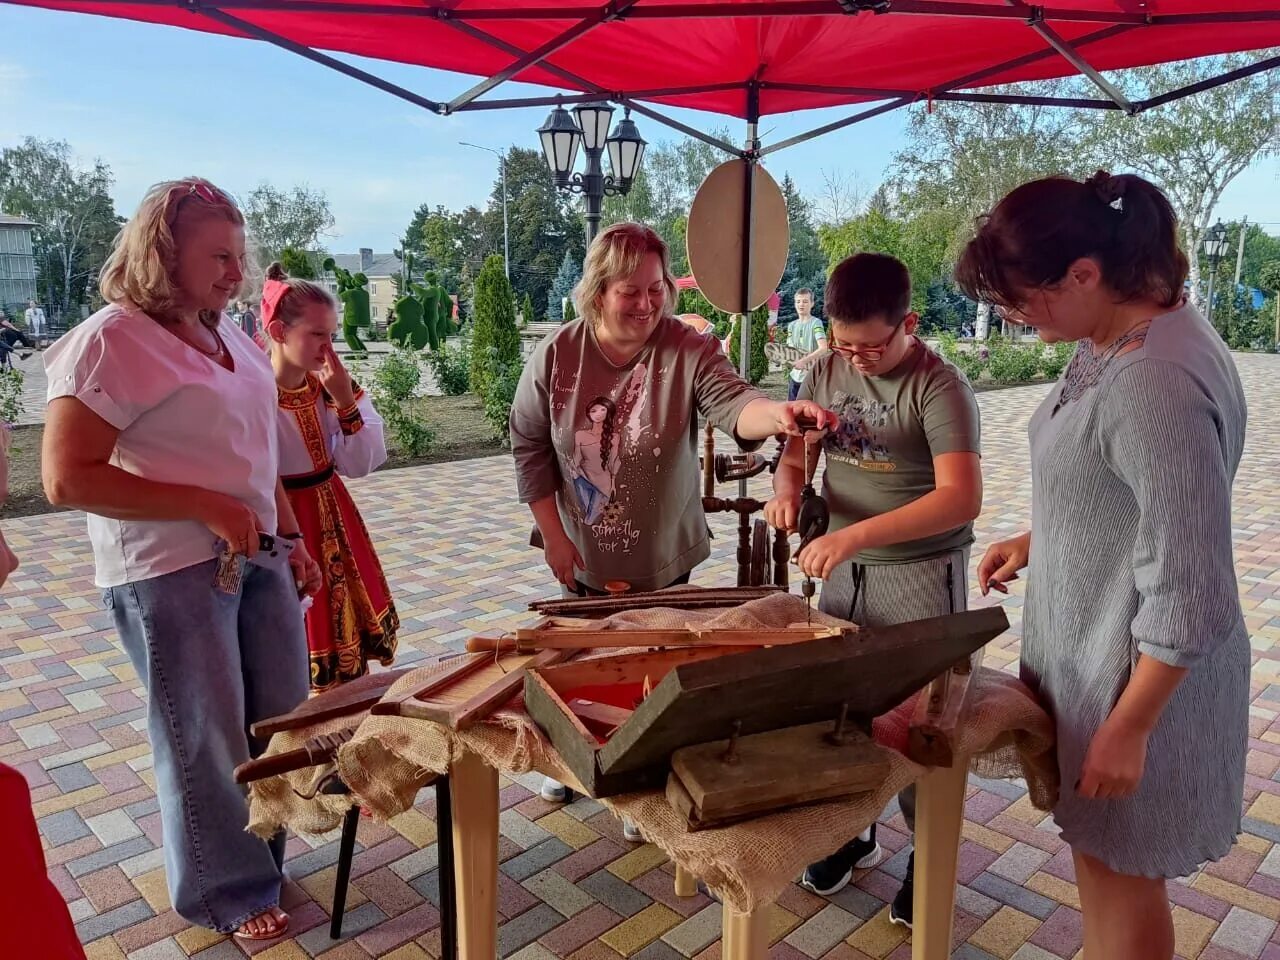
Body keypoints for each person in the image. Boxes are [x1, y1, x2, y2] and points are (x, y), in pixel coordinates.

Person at [957, 172, 1248, 960]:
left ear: (1085, 274)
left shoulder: (1152, 377)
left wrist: (1132, 723)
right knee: (1101, 863)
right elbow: (1128, 493)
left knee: (1122, 878)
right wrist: (1041, 536)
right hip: (1099, 658)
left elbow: (1191, 585)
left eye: (1026, 299)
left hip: (1132, 677)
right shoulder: (1122, 334)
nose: (1018, 317)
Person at [41, 176, 323, 942]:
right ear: (163, 253)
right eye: (219, 256)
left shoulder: (226, 331)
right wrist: (204, 505)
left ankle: (259, 860)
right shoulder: (113, 339)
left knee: (278, 720)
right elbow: (66, 476)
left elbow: (258, 452)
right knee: (205, 734)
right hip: (167, 569)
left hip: (256, 554)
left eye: (240, 255)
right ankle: (224, 890)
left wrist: (291, 539)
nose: (237, 272)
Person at [510, 221, 838, 822]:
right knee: (581, 665)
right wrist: (553, 534)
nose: (646, 303)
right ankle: (571, 763)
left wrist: (781, 414)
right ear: (598, 291)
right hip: (579, 550)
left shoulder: (686, 349)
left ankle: (639, 784)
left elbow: (736, 405)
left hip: (664, 554)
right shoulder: (558, 354)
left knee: (656, 671)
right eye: (629, 291)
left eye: (656, 288)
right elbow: (529, 441)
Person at [765, 253, 982, 925]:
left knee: (921, 729)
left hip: (919, 575)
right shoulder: (823, 368)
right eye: (841, 340)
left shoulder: (939, 386)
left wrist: (855, 537)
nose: (853, 357)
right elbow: (797, 454)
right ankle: (851, 832)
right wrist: (787, 490)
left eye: (870, 345)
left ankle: (929, 854)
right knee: (844, 713)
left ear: (908, 323)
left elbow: (961, 499)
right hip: (841, 572)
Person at [263, 261, 399, 691]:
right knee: (291, 624)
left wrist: (344, 401)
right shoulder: (254, 393)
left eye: (332, 334)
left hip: (330, 508)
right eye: (316, 335)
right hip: (280, 518)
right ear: (280, 333)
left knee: (342, 621)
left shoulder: (329, 385)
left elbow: (361, 463)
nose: (328, 347)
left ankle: (339, 713)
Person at [786, 288, 828, 401]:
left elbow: (824, 348)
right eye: (798, 301)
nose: (801, 304)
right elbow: (789, 350)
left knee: (808, 413)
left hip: (811, 377)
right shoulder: (791, 325)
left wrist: (804, 361)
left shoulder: (816, 323)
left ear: (812, 304)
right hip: (794, 376)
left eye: (805, 301)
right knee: (791, 410)